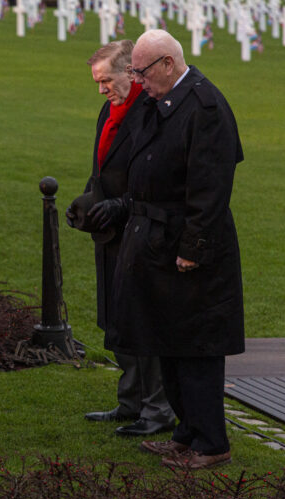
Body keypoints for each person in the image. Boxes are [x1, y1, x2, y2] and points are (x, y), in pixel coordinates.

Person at [107, 29, 245, 470]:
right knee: (167, 339)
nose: (139, 81)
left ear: (168, 63)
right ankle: (185, 433)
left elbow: (210, 189)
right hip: (156, 240)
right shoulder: (161, 99)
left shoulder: (205, 107)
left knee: (196, 345)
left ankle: (211, 442)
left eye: (142, 72)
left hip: (190, 249)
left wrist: (194, 248)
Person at [66, 40, 175, 437]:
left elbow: (157, 180)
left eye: (106, 80)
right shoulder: (110, 109)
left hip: (141, 230)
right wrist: (87, 201)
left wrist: (119, 205)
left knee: (143, 322)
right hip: (111, 230)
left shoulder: (151, 114)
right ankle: (130, 402)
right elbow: (103, 166)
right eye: (97, 82)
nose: (101, 89)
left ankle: (157, 409)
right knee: (117, 321)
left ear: (132, 73)